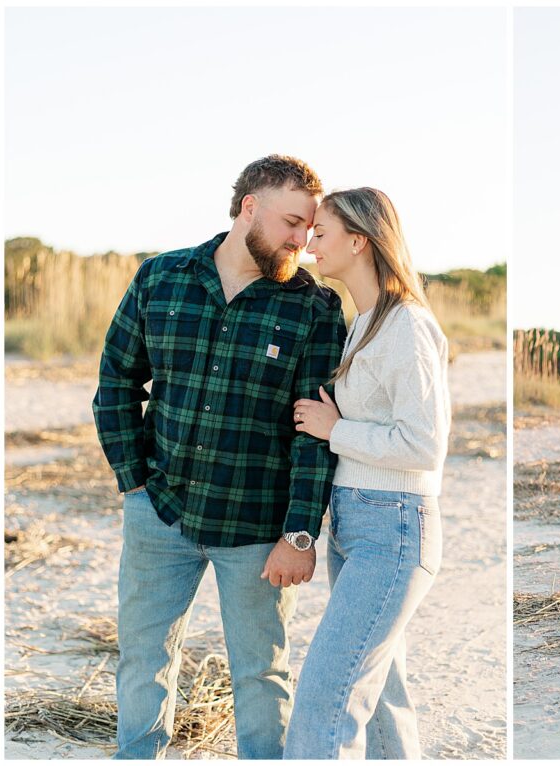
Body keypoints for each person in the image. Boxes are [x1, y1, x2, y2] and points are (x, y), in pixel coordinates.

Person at [92, 155, 346, 759]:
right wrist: (134, 484)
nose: (300, 241)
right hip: (162, 512)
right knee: (143, 658)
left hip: (259, 528)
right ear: (248, 206)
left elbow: (314, 433)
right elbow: (117, 384)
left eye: (309, 230)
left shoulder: (313, 308)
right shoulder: (161, 278)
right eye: (290, 222)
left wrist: (301, 532)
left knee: (262, 673)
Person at [280, 188, 451, 759]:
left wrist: (334, 430)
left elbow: (424, 445)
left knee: (326, 702)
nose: (309, 245)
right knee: (380, 700)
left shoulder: (406, 325)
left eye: (321, 233)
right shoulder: (367, 322)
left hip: (394, 528)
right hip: (358, 524)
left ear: (359, 240)